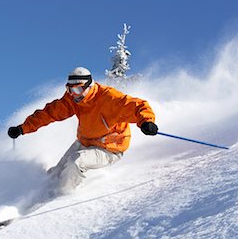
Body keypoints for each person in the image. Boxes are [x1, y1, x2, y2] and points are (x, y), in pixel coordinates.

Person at [8, 67, 158, 195]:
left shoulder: (108, 98)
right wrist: (23, 128)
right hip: (85, 142)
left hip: (110, 148)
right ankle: (37, 198)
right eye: (70, 89)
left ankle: (62, 197)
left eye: (78, 89)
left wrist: (147, 122)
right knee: (56, 173)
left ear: (89, 86)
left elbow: (138, 105)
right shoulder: (73, 99)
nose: (74, 94)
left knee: (75, 162)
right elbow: (49, 113)